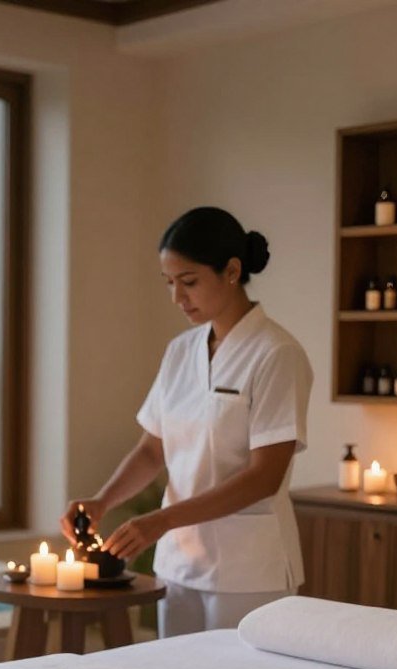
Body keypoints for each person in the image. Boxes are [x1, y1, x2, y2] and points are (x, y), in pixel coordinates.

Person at [60, 207, 313, 637]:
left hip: (248, 570)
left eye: (190, 282)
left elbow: (263, 478)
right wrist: (103, 501)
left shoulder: (276, 354)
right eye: (170, 284)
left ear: (232, 271)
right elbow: (152, 449)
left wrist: (161, 521)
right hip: (180, 564)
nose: (178, 298)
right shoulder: (181, 351)